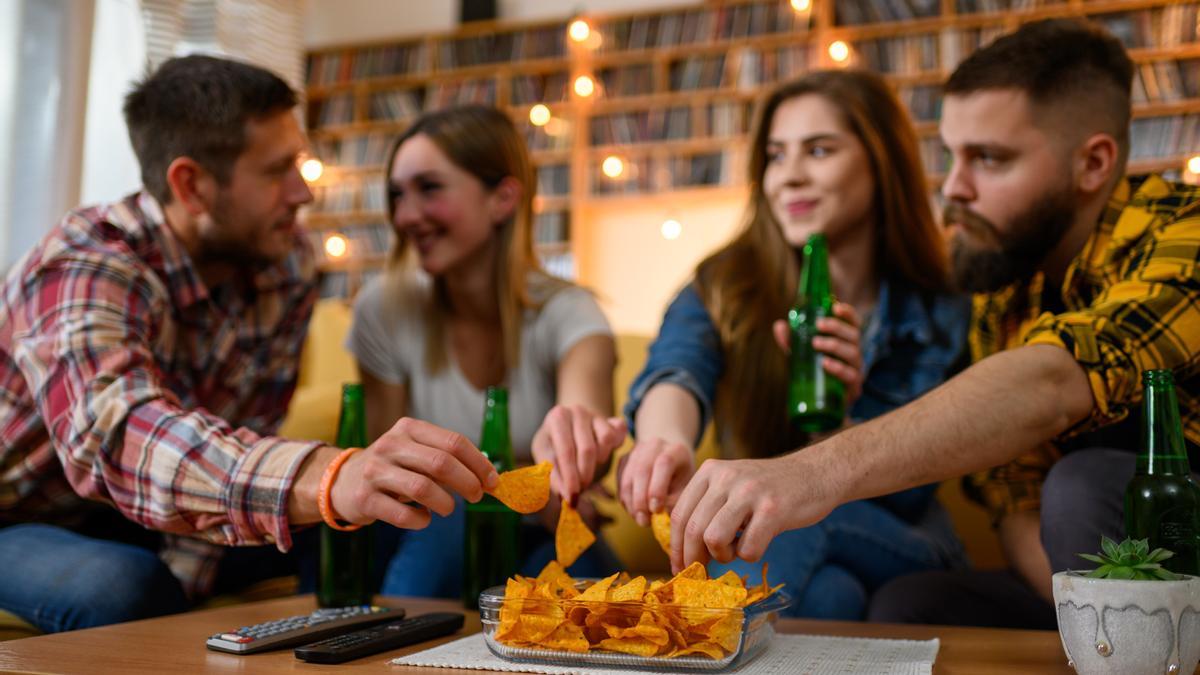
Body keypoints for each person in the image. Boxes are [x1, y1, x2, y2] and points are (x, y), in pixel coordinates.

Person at [665, 18, 1200, 630]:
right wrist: (1077, 615)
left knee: (1082, 481)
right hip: (1082, 585)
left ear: (1093, 163)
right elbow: (1016, 497)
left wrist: (809, 472)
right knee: (906, 604)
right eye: (951, 157)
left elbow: (1055, 379)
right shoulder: (1004, 294)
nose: (953, 188)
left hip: (1180, 568)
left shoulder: (1184, 232)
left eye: (989, 160)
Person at [0, 56, 499, 633]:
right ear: (192, 185)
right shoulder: (84, 266)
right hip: (21, 514)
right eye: (277, 170)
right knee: (124, 585)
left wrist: (199, 566)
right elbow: (117, 437)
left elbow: (242, 425)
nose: (304, 193)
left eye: (301, 164)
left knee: (387, 525)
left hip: (153, 519)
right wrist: (328, 477)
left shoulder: (284, 264)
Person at [616, 70, 970, 619]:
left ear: (881, 162)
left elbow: (906, 494)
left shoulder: (935, 305)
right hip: (796, 551)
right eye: (776, 156)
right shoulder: (726, 281)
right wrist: (667, 444)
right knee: (832, 595)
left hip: (907, 541)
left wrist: (837, 420)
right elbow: (677, 367)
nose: (789, 177)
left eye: (819, 151)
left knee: (782, 508)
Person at [346, 105, 626, 599]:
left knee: (579, 570)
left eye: (429, 188)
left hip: (535, 534)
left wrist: (571, 463)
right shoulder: (382, 309)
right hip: (425, 530)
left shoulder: (571, 313)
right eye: (396, 195)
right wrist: (516, 490)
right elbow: (388, 472)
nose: (405, 217)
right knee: (451, 525)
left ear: (502, 198)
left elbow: (581, 436)